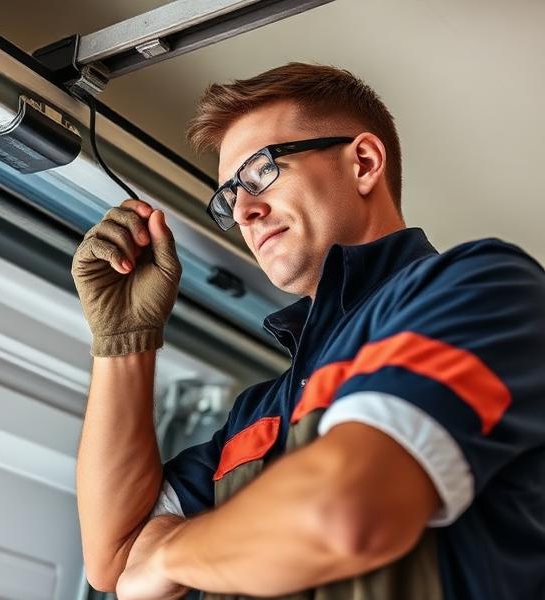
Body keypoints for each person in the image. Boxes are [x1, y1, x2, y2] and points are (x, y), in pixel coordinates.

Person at [70, 63, 545, 600]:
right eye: (229, 197)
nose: (244, 211)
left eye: (260, 172)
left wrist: (172, 551)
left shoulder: (481, 287)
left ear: (363, 163)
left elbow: (348, 513)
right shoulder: (260, 412)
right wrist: (124, 343)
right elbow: (113, 563)